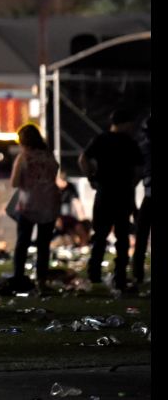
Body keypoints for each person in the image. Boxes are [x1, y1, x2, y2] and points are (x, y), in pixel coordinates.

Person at [79, 108, 142, 290]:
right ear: (125, 123)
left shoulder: (101, 139)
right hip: (123, 194)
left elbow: (83, 159)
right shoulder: (130, 143)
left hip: (104, 192)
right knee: (122, 237)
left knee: (100, 235)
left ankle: (94, 273)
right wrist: (132, 183)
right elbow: (138, 169)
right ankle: (120, 276)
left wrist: (91, 177)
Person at [9, 123, 60, 292]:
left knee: (22, 243)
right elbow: (54, 173)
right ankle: (42, 281)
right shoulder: (48, 155)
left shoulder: (23, 157)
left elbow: (14, 182)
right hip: (49, 203)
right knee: (44, 245)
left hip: (28, 204)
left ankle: (18, 277)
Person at [131, 116, 151, 285]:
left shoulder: (144, 147)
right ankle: (137, 272)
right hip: (148, 195)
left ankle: (137, 273)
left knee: (141, 235)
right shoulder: (143, 148)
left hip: (149, 196)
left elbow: (137, 174)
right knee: (141, 234)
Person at [53, 170, 91, 247]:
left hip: (67, 217)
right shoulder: (52, 189)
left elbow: (77, 203)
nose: (64, 184)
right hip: (54, 218)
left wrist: (82, 218)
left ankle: (83, 246)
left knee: (80, 227)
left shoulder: (69, 188)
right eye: (62, 182)